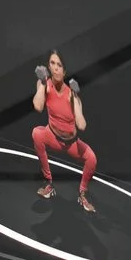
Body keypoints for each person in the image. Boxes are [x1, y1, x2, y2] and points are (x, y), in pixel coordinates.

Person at [32, 51, 98, 211]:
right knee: (36, 133)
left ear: (65, 71)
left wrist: (76, 99)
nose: (55, 68)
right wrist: (41, 83)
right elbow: (38, 106)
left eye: (59, 65)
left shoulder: (71, 95)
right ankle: (48, 183)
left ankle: (82, 194)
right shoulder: (44, 85)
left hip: (70, 144)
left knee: (92, 159)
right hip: (52, 136)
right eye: (52, 64)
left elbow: (81, 125)